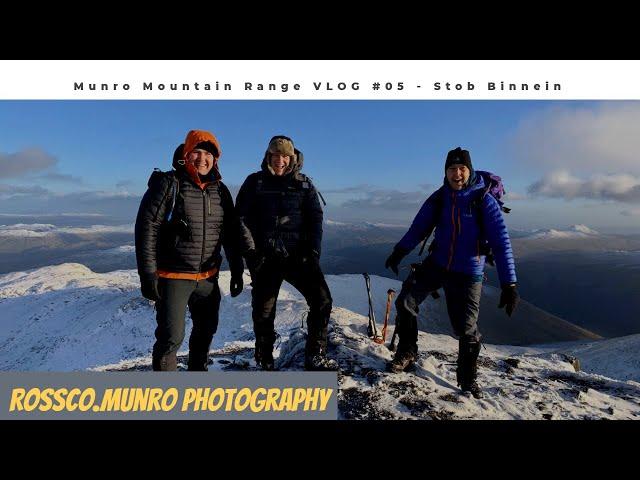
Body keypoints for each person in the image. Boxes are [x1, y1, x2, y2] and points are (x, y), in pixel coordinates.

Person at [384, 147, 519, 398]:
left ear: (469, 170)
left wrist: (509, 284)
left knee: (465, 328)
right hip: (438, 264)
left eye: (461, 169)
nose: (457, 174)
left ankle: (468, 379)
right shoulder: (440, 198)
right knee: (406, 301)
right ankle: (407, 352)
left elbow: (501, 243)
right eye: (451, 169)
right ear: (445, 173)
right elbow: (419, 227)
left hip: (468, 272)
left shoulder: (484, 201)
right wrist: (400, 251)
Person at [135, 129, 245, 371]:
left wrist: (237, 269)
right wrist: (148, 274)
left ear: (215, 159)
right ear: (186, 153)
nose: (202, 158)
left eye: (208, 153)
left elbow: (230, 233)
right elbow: (147, 228)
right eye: (197, 151)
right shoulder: (168, 184)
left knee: (205, 332)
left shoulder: (220, 190)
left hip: (207, 278)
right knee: (170, 339)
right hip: (173, 277)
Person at [235, 135, 338, 371]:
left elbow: (315, 219)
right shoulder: (255, 182)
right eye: (275, 155)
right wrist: (251, 254)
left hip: (298, 257)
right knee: (264, 311)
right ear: (268, 156)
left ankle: (315, 355)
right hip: (265, 258)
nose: (280, 160)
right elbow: (240, 219)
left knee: (322, 300)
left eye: (285, 156)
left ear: (292, 158)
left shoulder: (304, 184)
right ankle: (265, 356)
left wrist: (313, 250)